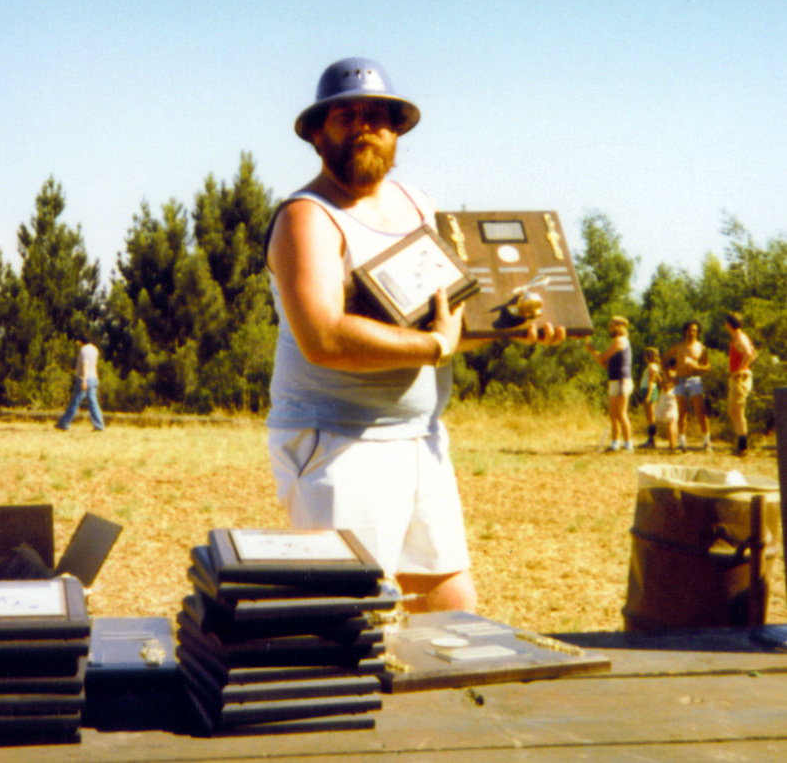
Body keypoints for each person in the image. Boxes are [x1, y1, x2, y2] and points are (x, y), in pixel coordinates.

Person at [264, 58, 565, 613]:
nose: (364, 126)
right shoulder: (307, 217)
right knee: (350, 617)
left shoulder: (416, 204)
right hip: (337, 442)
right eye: (346, 116)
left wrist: (509, 329)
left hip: (420, 437)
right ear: (316, 135)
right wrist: (434, 347)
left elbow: (442, 324)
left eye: (377, 116)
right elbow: (324, 338)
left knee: (449, 601)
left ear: (397, 130)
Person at [584, 316, 634, 452]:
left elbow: (602, 357)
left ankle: (628, 443)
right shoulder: (618, 342)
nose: (610, 329)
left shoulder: (619, 341)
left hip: (622, 380)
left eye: (612, 326)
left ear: (619, 327)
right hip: (615, 380)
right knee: (613, 414)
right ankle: (615, 442)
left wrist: (591, 350)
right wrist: (593, 352)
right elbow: (605, 364)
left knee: (621, 413)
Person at [664, 319, 710, 452]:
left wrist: (698, 367)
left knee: (700, 412)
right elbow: (664, 359)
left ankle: (706, 442)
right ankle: (682, 443)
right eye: (689, 330)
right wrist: (669, 376)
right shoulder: (678, 347)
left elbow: (707, 366)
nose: (691, 333)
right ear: (685, 331)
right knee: (682, 413)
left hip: (694, 380)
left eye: (694, 330)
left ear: (698, 332)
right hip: (680, 380)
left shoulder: (701, 348)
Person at [55, 336, 104, 432]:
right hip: (93, 378)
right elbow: (94, 364)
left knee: (75, 402)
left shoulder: (84, 350)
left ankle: (64, 424)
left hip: (85, 379)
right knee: (93, 403)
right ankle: (99, 425)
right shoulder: (95, 349)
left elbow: (85, 365)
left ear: (81, 341)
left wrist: (84, 380)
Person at [724, 312, 757, 455]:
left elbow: (749, 354)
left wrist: (740, 370)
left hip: (740, 378)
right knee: (734, 411)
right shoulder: (741, 336)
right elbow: (753, 353)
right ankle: (741, 444)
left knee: (736, 411)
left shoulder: (739, 338)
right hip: (740, 377)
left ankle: (742, 447)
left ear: (728, 324)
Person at [638, 347, 662, 448]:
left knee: (651, 416)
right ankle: (651, 439)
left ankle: (652, 440)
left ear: (647, 356)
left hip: (649, 391)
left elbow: (651, 382)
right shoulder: (654, 367)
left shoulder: (652, 367)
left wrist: (648, 396)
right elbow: (659, 380)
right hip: (647, 391)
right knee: (650, 417)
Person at [654, 363, 679, 451]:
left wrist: (660, 380)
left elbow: (666, 387)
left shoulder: (669, 374)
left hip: (668, 396)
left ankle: (672, 445)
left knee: (670, 422)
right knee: (674, 421)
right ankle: (674, 444)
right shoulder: (679, 373)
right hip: (675, 395)